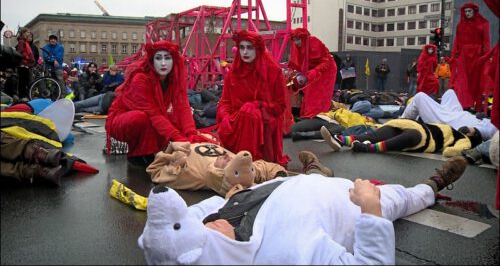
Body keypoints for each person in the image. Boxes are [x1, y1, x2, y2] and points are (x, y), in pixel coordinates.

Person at [138, 156, 468, 265]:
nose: (212, 222)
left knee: (298, 178)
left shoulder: (213, 220)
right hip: (348, 197)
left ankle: (313, 169)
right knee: (402, 199)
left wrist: (226, 199)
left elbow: (190, 218)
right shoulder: (289, 254)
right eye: (210, 231)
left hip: (289, 186)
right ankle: (433, 184)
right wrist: (370, 209)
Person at [105, 40, 215, 167]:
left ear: (174, 60)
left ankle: (154, 150)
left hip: (150, 115)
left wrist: (191, 134)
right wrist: (179, 139)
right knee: (142, 118)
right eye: (158, 58)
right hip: (125, 118)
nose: (163, 63)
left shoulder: (174, 78)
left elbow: (182, 106)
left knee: (175, 121)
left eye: (167, 58)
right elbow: (152, 114)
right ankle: (137, 154)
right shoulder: (140, 79)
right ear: (152, 61)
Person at [146, 141, 333, 196]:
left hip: (224, 175)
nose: (228, 156)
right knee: (258, 171)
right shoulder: (201, 174)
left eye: (227, 161)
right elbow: (263, 168)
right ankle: (313, 174)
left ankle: (312, 176)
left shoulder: (197, 172)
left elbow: (155, 171)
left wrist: (171, 151)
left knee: (257, 171)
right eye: (228, 161)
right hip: (231, 178)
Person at [216, 30, 290, 166]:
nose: (245, 52)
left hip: (264, 118)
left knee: (251, 114)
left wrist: (258, 105)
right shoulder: (233, 72)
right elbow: (225, 102)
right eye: (242, 48)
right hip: (237, 117)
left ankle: (249, 162)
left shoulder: (273, 71)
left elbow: (280, 106)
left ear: (258, 49)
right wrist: (225, 116)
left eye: (249, 48)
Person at [320, 118, 482, 157]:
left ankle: (368, 148)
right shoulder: (451, 126)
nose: (469, 127)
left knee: (410, 136)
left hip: (425, 138)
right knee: (376, 133)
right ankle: (341, 139)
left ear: (472, 136)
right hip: (411, 124)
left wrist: (457, 149)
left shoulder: (464, 139)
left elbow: (451, 152)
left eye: (473, 129)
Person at [401, 89, 498, 140]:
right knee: (450, 92)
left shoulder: (493, 132)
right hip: (459, 114)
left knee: (419, 97)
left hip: (448, 121)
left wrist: (473, 131)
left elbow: (484, 133)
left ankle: (398, 124)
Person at [449, 2, 490, 111]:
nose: (467, 13)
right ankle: (465, 105)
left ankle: (475, 105)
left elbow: (486, 42)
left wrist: (486, 57)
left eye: (469, 11)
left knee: (476, 82)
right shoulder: (460, 25)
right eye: (465, 11)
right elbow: (456, 42)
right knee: (463, 82)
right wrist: (454, 57)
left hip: (477, 56)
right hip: (464, 57)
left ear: (474, 11)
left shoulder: (483, 24)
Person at [288, 28, 337, 118]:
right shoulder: (298, 47)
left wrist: (316, 71)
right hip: (313, 71)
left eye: (298, 39)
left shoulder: (314, 42)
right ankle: (308, 114)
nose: (296, 42)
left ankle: (317, 114)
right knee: (309, 93)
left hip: (327, 70)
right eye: (294, 40)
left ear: (303, 38)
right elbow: (299, 63)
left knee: (318, 93)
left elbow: (326, 61)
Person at [42, 35, 66, 99]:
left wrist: (51, 59)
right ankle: (52, 97)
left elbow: (59, 57)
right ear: (49, 40)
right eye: (51, 39)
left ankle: (62, 97)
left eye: (54, 39)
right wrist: (53, 60)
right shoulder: (45, 47)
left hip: (58, 67)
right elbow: (45, 57)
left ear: (56, 40)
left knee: (60, 82)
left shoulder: (60, 47)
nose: (53, 40)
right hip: (48, 67)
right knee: (50, 83)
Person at [15, 27, 35, 100]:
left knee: (25, 82)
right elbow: (20, 53)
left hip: (26, 65)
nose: (29, 33)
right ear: (23, 33)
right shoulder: (21, 42)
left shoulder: (25, 42)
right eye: (27, 32)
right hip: (23, 65)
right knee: (22, 82)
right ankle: (22, 97)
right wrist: (26, 58)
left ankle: (24, 96)